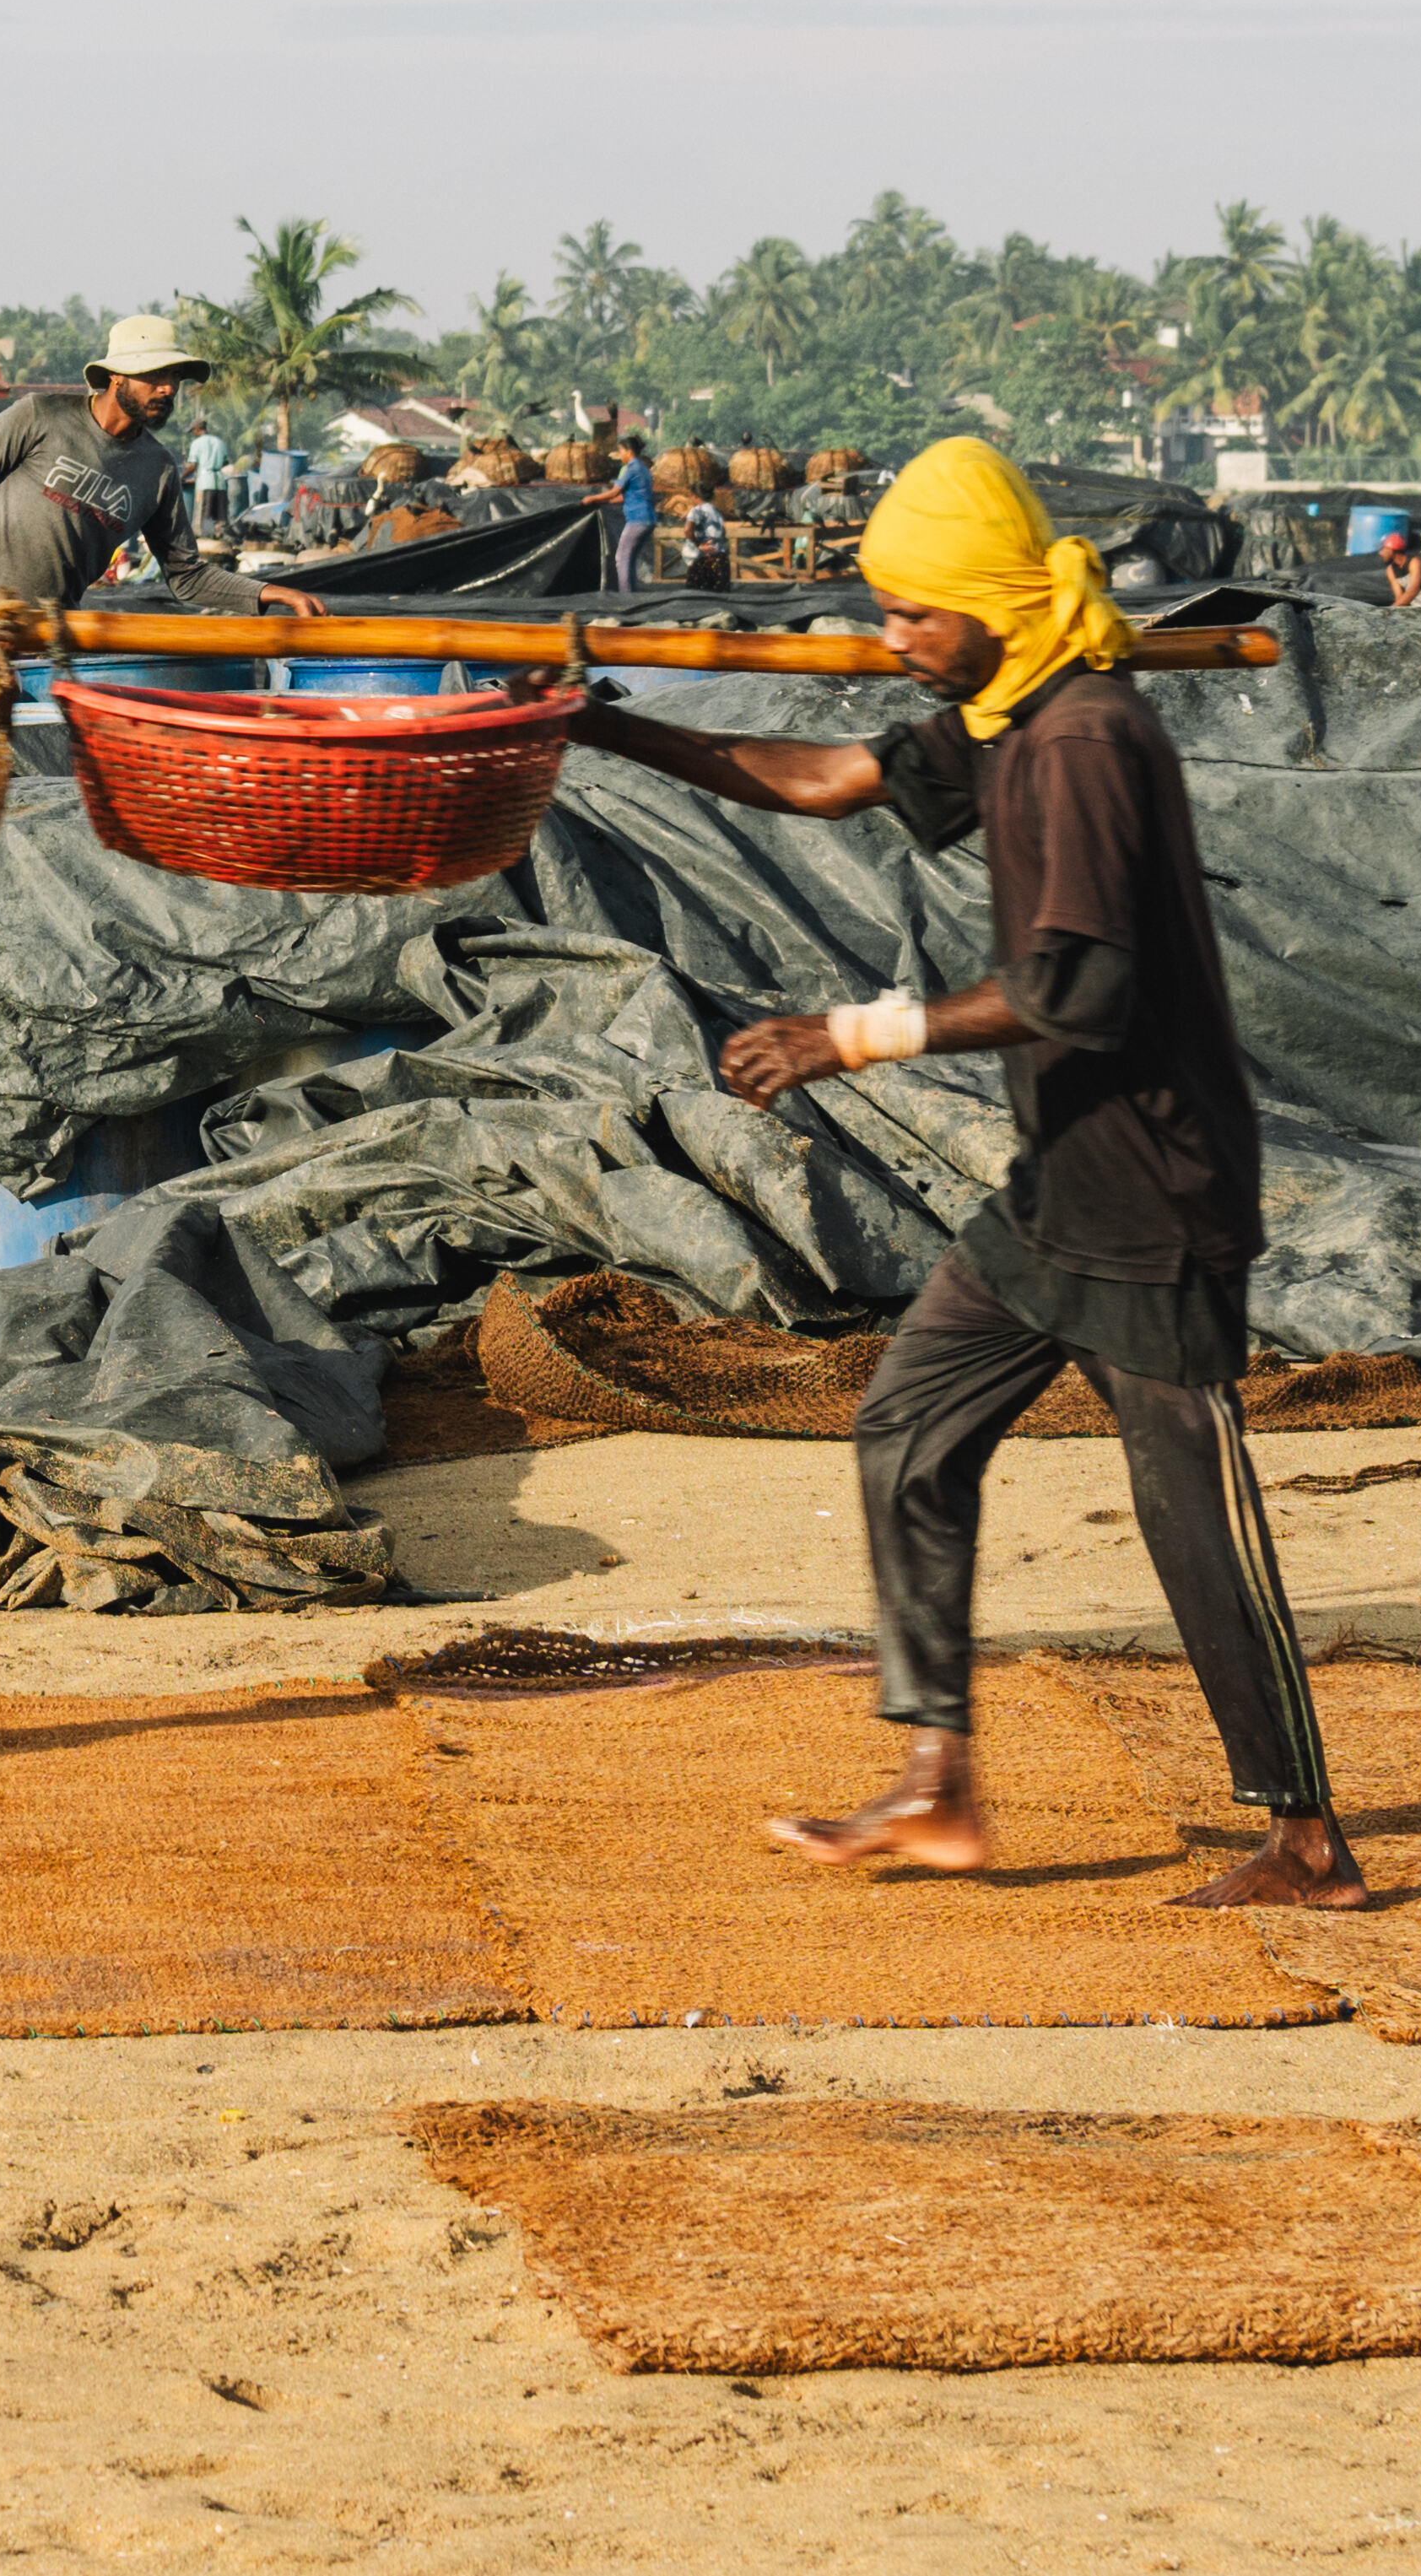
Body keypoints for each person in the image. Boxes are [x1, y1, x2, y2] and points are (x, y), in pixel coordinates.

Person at [567, 436, 1358, 1912]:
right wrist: (608, 731)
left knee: (1194, 1515)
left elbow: (1079, 991)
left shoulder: (1087, 743)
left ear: (994, 600)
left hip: (1155, 1185)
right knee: (910, 1426)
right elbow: (816, 778)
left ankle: (1306, 1840)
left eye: (915, 614)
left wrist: (847, 1036)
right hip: (1059, 1179)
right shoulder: (1000, 706)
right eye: (885, 611)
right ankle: (937, 1785)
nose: (893, 639)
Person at [0, 316, 331, 622]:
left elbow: (186, 574)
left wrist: (273, 592)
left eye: (175, 379)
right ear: (117, 377)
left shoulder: (159, 469)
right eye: (156, 377)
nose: (168, 390)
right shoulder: (40, 416)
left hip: (51, 638)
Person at [613, 438, 659, 591]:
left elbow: (615, 492)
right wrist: (601, 501)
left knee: (621, 558)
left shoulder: (631, 469)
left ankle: (626, 596)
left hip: (637, 519)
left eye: (621, 452)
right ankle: (631, 594)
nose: (620, 456)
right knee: (629, 559)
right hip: (648, 518)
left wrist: (591, 498)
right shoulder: (644, 468)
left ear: (629, 452)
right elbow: (625, 496)